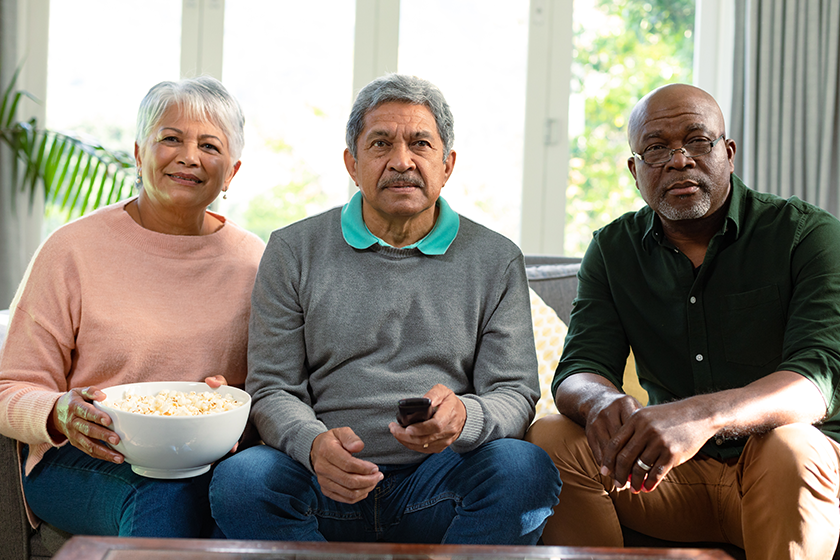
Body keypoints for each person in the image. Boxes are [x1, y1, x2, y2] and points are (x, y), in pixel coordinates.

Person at [209, 73, 561, 544]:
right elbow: (272, 388)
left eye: (420, 144)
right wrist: (313, 446)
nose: (402, 161)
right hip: (321, 481)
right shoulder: (293, 250)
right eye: (380, 144)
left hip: (441, 481)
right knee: (242, 481)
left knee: (525, 469)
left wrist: (464, 417)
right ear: (352, 164)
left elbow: (514, 393)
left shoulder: (496, 259)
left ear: (447, 165)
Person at [525, 83, 840, 560]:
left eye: (698, 141)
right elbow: (578, 370)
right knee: (551, 436)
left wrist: (698, 417)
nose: (679, 160)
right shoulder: (613, 250)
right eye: (656, 148)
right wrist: (601, 399)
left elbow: (816, 382)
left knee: (790, 445)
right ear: (635, 171)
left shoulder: (805, 234)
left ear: (728, 153)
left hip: (779, 470)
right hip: (667, 477)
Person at [0, 76, 265, 538]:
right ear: (140, 155)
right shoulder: (72, 250)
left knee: (247, 495)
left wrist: (236, 407)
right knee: (163, 495)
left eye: (209, 146)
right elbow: (10, 388)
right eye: (171, 139)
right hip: (86, 455)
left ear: (232, 172)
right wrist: (62, 412)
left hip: (208, 458)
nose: (189, 156)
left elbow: (274, 385)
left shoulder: (256, 261)